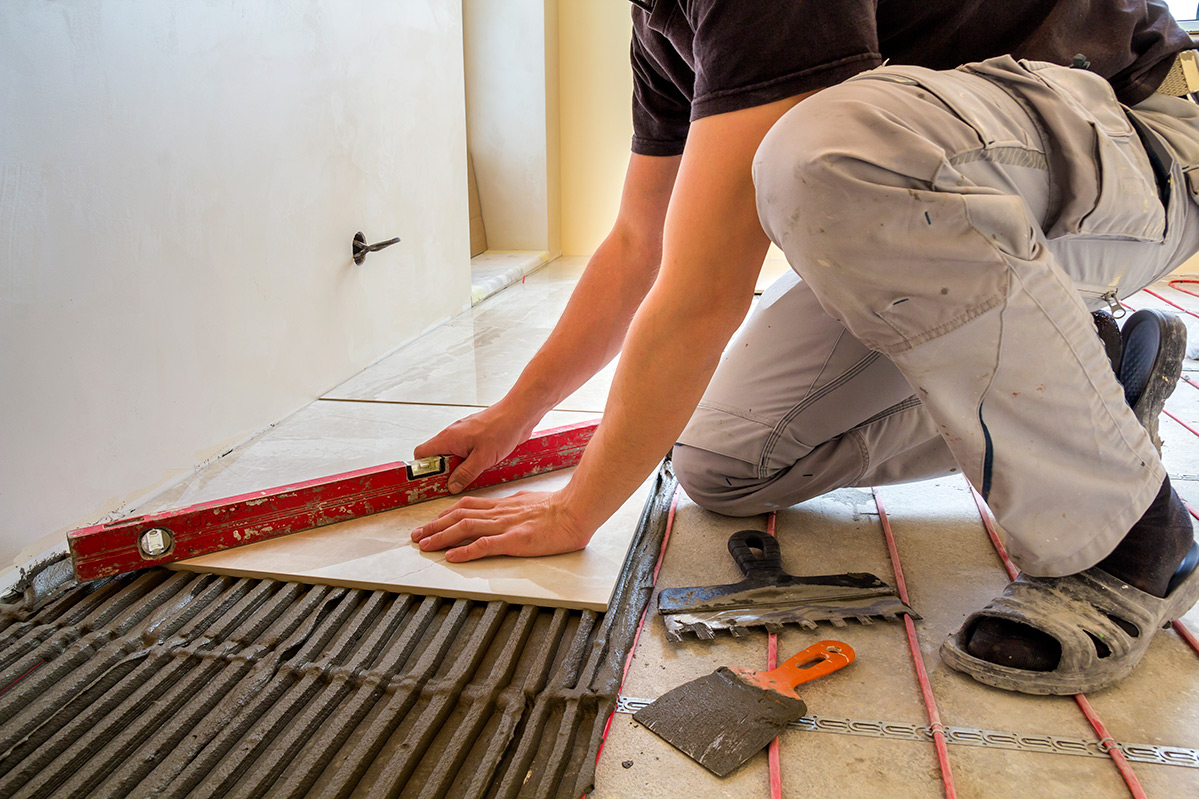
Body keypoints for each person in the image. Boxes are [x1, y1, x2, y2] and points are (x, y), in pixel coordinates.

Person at [410, 1, 1199, 695]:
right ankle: (1092, 378)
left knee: (827, 149)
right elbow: (635, 246)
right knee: (726, 462)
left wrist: (578, 509)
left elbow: (704, 289)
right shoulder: (663, 23)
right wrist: (516, 414)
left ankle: (1129, 535)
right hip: (990, 179)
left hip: (1146, 143)